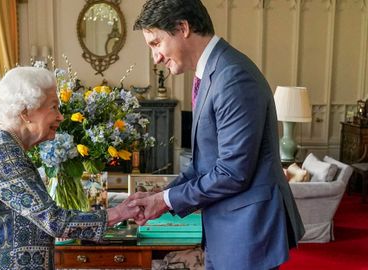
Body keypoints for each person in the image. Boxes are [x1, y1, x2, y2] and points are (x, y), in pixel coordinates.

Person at [129, 1, 305, 269]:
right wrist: (159, 195)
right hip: (229, 228)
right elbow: (205, 165)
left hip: (248, 231)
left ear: (182, 27)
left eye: (155, 44)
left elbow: (232, 172)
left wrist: (164, 201)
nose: (156, 57)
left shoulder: (233, 75)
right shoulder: (213, 72)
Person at [0, 67, 140, 270]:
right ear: (26, 112)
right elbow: (54, 221)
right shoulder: (2, 153)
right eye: (54, 107)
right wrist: (119, 213)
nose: (61, 117)